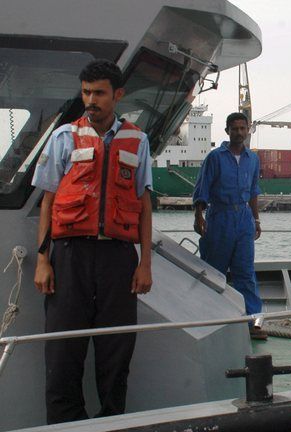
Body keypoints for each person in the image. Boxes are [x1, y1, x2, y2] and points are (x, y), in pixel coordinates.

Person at [32, 59, 153, 423]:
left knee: (116, 351)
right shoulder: (63, 137)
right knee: (62, 352)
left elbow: (144, 205)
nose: (90, 100)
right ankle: (64, 427)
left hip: (118, 259)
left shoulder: (138, 140)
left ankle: (111, 423)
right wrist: (43, 259)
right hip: (70, 257)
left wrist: (145, 263)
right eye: (86, 92)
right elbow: (48, 202)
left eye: (99, 93)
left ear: (118, 95)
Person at [192, 112, 266, 340]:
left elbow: (253, 191)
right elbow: (202, 188)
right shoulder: (215, 157)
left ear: (248, 130)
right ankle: (210, 319)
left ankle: (253, 321)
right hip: (219, 217)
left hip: (243, 218)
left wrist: (256, 219)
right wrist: (198, 216)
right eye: (234, 129)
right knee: (215, 271)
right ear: (227, 131)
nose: (239, 133)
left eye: (243, 129)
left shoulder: (252, 159)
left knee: (245, 272)